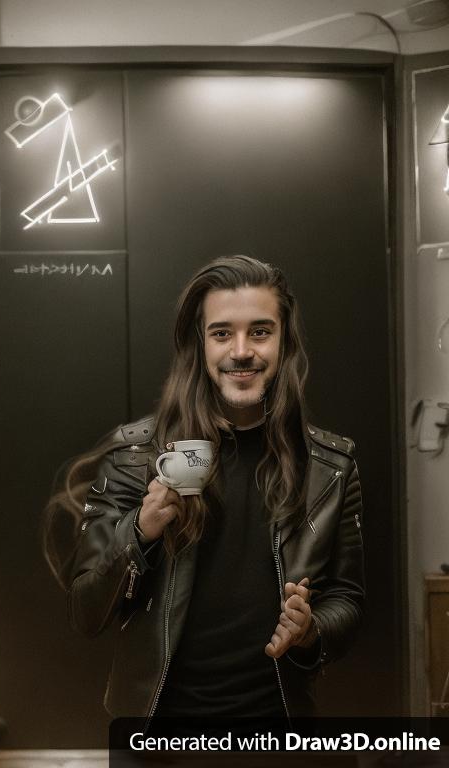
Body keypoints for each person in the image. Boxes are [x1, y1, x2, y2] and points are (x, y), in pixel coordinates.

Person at [46, 255, 364, 727]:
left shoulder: (331, 466)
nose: (241, 350)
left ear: (284, 342)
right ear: (200, 345)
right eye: (221, 333)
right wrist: (139, 532)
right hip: (158, 730)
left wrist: (310, 629)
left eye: (260, 331)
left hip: (277, 726)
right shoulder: (133, 454)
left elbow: (348, 599)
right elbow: (86, 610)